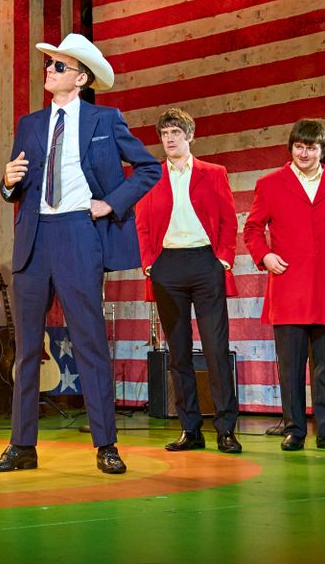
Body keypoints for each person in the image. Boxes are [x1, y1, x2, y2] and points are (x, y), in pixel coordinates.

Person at [0, 33, 159, 475]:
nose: (50, 71)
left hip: (80, 233)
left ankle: (106, 445)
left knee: (89, 344)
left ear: (80, 78)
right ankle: (22, 446)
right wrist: (7, 180)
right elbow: (14, 187)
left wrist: (111, 202)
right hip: (34, 237)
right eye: (50, 65)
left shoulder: (105, 119)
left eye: (59, 67)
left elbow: (149, 167)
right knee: (26, 351)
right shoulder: (30, 123)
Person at [243, 119, 325, 452]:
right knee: (290, 366)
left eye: (310, 147)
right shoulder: (270, 184)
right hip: (288, 284)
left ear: (322, 149)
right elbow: (251, 230)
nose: (303, 153)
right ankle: (294, 429)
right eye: (298, 146)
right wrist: (264, 256)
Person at [135, 108, 241, 454]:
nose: (169, 139)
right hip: (168, 265)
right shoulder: (152, 176)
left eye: (176, 133)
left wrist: (223, 259)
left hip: (205, 261)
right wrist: (150, 264)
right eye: (165, 134)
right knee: (178, 353)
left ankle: (226, 429)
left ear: (189, 136)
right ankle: (190, 429)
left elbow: (228, 219)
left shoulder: (213, 173)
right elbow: (143, 224)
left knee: (215, 350)